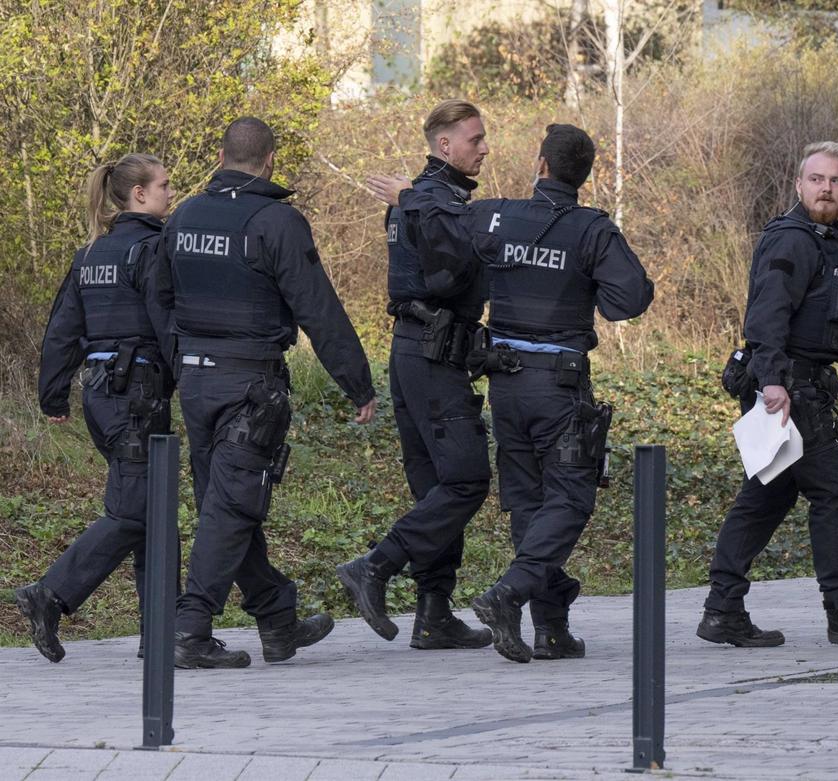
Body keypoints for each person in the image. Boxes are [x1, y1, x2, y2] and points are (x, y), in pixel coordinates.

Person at [368, 124, 654, 663]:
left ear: (540, 165)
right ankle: (510, 594)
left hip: (505, 385)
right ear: (583, 174)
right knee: (569, 497)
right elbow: (631, 298)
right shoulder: (592, 229)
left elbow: (446, 223)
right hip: (559, 386)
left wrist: (407, 195)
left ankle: (550, 628)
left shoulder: (498, 216)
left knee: (527, 504)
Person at [159, 117, 377, 668]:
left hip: (197, 381)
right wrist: (358, 384)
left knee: (228, 503)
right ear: (270, 159)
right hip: (249, 384)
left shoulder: (182, 215)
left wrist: (178, 365)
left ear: (220, 153)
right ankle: (190, 629)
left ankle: (278, 620)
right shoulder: (277, 221)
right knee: (230, 507)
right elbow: (317, 308)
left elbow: (158, 299)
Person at [697, 141, 838, 648]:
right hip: (786, 387)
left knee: (765, 498)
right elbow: (766, 315)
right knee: (832, 490)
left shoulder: (830, 241)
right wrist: (772, 383)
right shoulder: (792, 240)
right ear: (798, 184)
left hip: (804, 384)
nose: (826, 189)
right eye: (817, 179)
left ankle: (723, 609)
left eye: (835, 181)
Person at [336, 100, 491, 650]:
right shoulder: (428, 201)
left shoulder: (424, 199)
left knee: (436, 487)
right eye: (474, 139)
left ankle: (433, 612)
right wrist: (417, 198)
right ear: (444, 145)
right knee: (468, 478)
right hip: (429, 353)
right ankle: (376, 566)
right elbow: (449, 273)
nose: (483, 148)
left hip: (416, 350)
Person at [17, 154, 176, 663]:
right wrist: (192, 383)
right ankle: (51, 594)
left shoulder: (92, 255)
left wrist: (54, 393)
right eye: (165, 186)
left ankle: (163, 630)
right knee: (135, 511)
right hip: (137, 397)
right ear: (139, 195)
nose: (171, 194)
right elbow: (168, 325)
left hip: (102, 396)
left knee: (154, 509)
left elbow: (63, 328)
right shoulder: (151, 250)